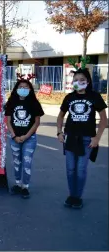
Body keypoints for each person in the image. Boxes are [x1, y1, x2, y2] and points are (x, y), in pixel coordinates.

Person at [57, 68, 107, 209]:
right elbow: (60, 116)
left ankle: (77, 197)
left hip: (87, 140)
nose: (78, 83)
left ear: (88, 81)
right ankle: (71, 195)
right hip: (70, 138)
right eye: (75, 80)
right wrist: (59, 132)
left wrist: (97, 138)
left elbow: (104, 120)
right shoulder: (69, 97)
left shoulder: (94, 97)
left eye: (82, 80)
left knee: (81, 169)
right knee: (70, 169)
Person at [5, 75, 44, 198]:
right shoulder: (11, 102)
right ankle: (17, 183)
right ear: (16, 89)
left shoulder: (34, 103)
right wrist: (14, 135)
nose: (23, 89)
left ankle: (25, 186)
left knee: (27, 162)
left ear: (30, 89)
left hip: (30, 139)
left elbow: (37, 122)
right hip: (14, 139)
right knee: (17, 162)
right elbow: (8, 121)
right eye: (21, 87)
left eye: (26, 87)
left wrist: (26, 136)